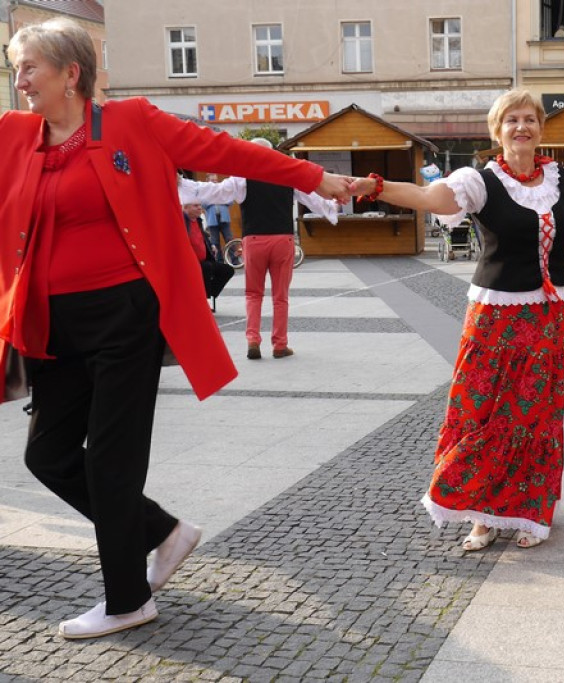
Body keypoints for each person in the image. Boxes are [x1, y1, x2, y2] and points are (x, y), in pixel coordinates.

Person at [0, 18, 349, 640]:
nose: (18, 80)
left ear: (70, 74)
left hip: (126, 315)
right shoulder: (14, 137)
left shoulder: (129, 122)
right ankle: (162, 531)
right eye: (15, 67)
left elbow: (228, 153)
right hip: (52, 324)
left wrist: (311, 176)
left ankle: (128, 600)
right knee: (47, 455)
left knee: (111, 460)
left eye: (29, 68)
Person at [341, 89, 564, 550]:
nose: (521, 127)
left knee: (536, 414)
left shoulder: (563, 178)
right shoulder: (480, 180)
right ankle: (480, 512)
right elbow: (430, 196)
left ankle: (528, 508)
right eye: (511, 120)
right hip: (494, 314)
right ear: (497, 130)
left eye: (529, 120)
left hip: (546, 316)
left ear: (540, 128)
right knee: (482, 409)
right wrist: (376, 187)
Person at [178, 142, 340, 361]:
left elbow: (213, 192)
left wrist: (181, 183)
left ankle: (253, 340)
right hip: (283, 239)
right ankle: (280, 345)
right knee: (280, 297)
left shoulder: (243, 177)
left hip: (254, 240)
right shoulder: (288, 175)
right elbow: (315, 199)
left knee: (253, 294)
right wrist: (335, 202)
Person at [183, 202, 234, 302]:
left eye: (199, 205)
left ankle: (208, 295)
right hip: (188, 262)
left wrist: (211, 246)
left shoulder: (198, 221)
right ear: (186, 207)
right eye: (195, 206)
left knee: (228, 270)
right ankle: (203, 300)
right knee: (207, 267)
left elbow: (202, 237)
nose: (199, 208)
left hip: (204, 260)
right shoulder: (182, 221)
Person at [202, 174, 234, 262]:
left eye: (215, 180)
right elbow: (203, 204)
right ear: (207, 181)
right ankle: (219, 261)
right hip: (212, 220)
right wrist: (217, 199)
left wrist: (217, 199)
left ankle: (234, 260)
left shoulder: (222, 190)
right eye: (212, 180)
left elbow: (230, 201)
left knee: (229, 239)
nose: (215, 182)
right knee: (215, 241)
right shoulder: (205, 192)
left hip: (224, 218)